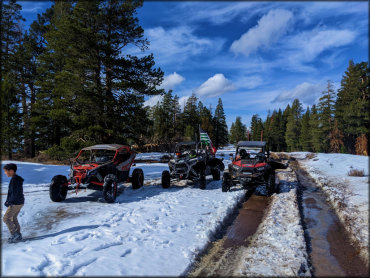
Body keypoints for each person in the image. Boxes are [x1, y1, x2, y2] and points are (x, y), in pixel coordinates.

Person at [3, 163, 24, 243]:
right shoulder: (17, 179)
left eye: (5, 171)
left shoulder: (14, 180)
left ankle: (14, 234)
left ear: (11, 171)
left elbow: (14, 193)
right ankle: (18, 234)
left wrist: (9, 202)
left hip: (15, 203)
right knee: (13, 218)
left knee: (6, 218)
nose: (5, 173)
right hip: (20, 202)